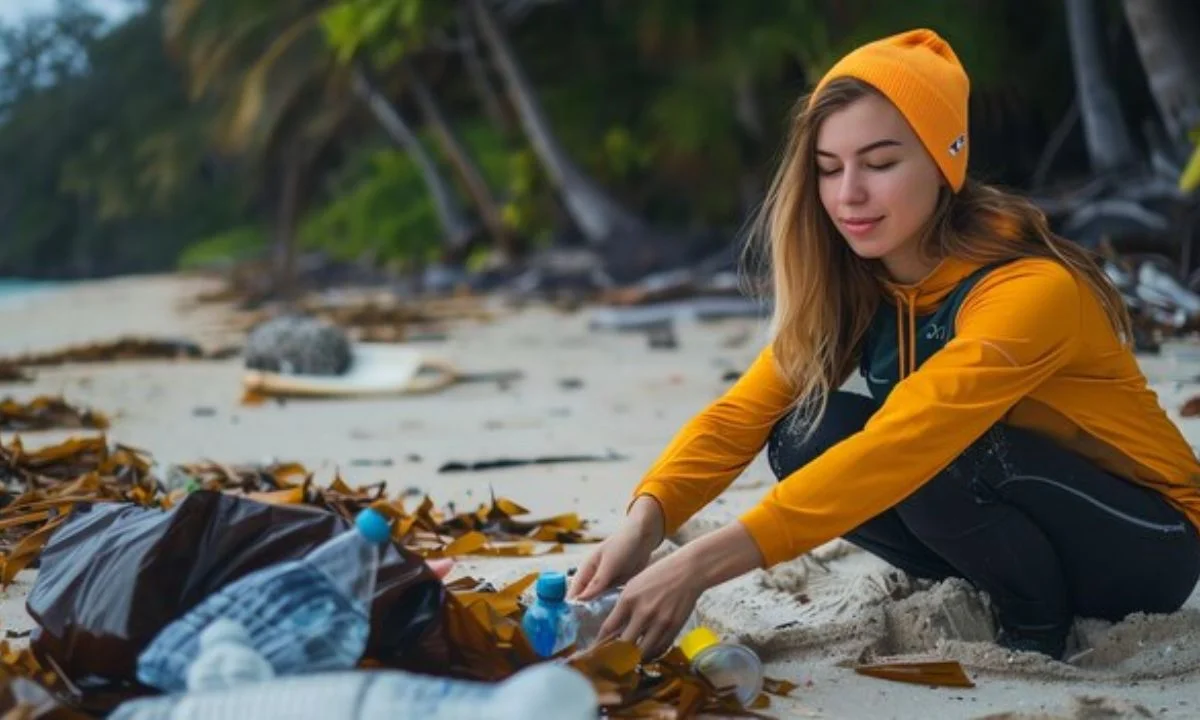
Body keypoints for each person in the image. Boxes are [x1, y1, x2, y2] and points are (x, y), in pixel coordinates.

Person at [568, 28, 1200, 661]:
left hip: (1151, 544)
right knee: (802, 433)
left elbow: (905, 442)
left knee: (932, 454)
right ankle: (1002, 582)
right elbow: (740, 415)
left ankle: (1035, 624)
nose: (849, 196)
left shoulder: (1030, 290)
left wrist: (699, 565)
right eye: (829, 168)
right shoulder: (860, 283)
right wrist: (645, 523)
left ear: (943, 162)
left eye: (879, 164)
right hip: (1009, 509)